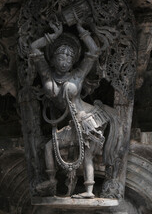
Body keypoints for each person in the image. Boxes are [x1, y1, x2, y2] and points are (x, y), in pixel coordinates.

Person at [30, 21, 109, 198]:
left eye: (69, 57)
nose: (64, 61)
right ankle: (51, 180)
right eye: (61, 57)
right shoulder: (46, 74)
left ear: (74, 61)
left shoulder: (78, 75)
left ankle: (88, 190)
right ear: (53, 59)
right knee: (50, 147)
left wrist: (83, 31)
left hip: (85, 119)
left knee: (86, 153)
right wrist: (52, 36)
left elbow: (94, 52)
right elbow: (33, 48)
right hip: (67, 123)